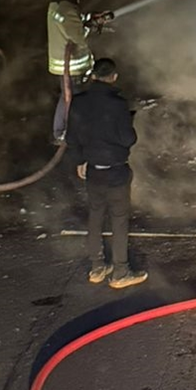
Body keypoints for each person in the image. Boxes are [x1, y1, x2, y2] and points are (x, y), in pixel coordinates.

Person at [65, 57, 147, 287]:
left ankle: (97, 268)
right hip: (116, 172)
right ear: (114, 77)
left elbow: (72, 137)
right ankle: (120, 272)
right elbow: (127, 139)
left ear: (93, 76)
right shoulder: (117, 104)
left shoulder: (79, 102)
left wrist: (80, 160)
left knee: (95, 216)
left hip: (93, 171)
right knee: (119, 220)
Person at [46, 0, 113, 144]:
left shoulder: (58, 5)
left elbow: (73, 21)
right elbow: (78, 37)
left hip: (60, 61)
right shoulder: (68, 9)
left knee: (66, 96)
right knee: (70, 98)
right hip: (72, 65)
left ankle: (62, 131)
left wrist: (92, 17)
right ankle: (62, 133)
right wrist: (90, 26)